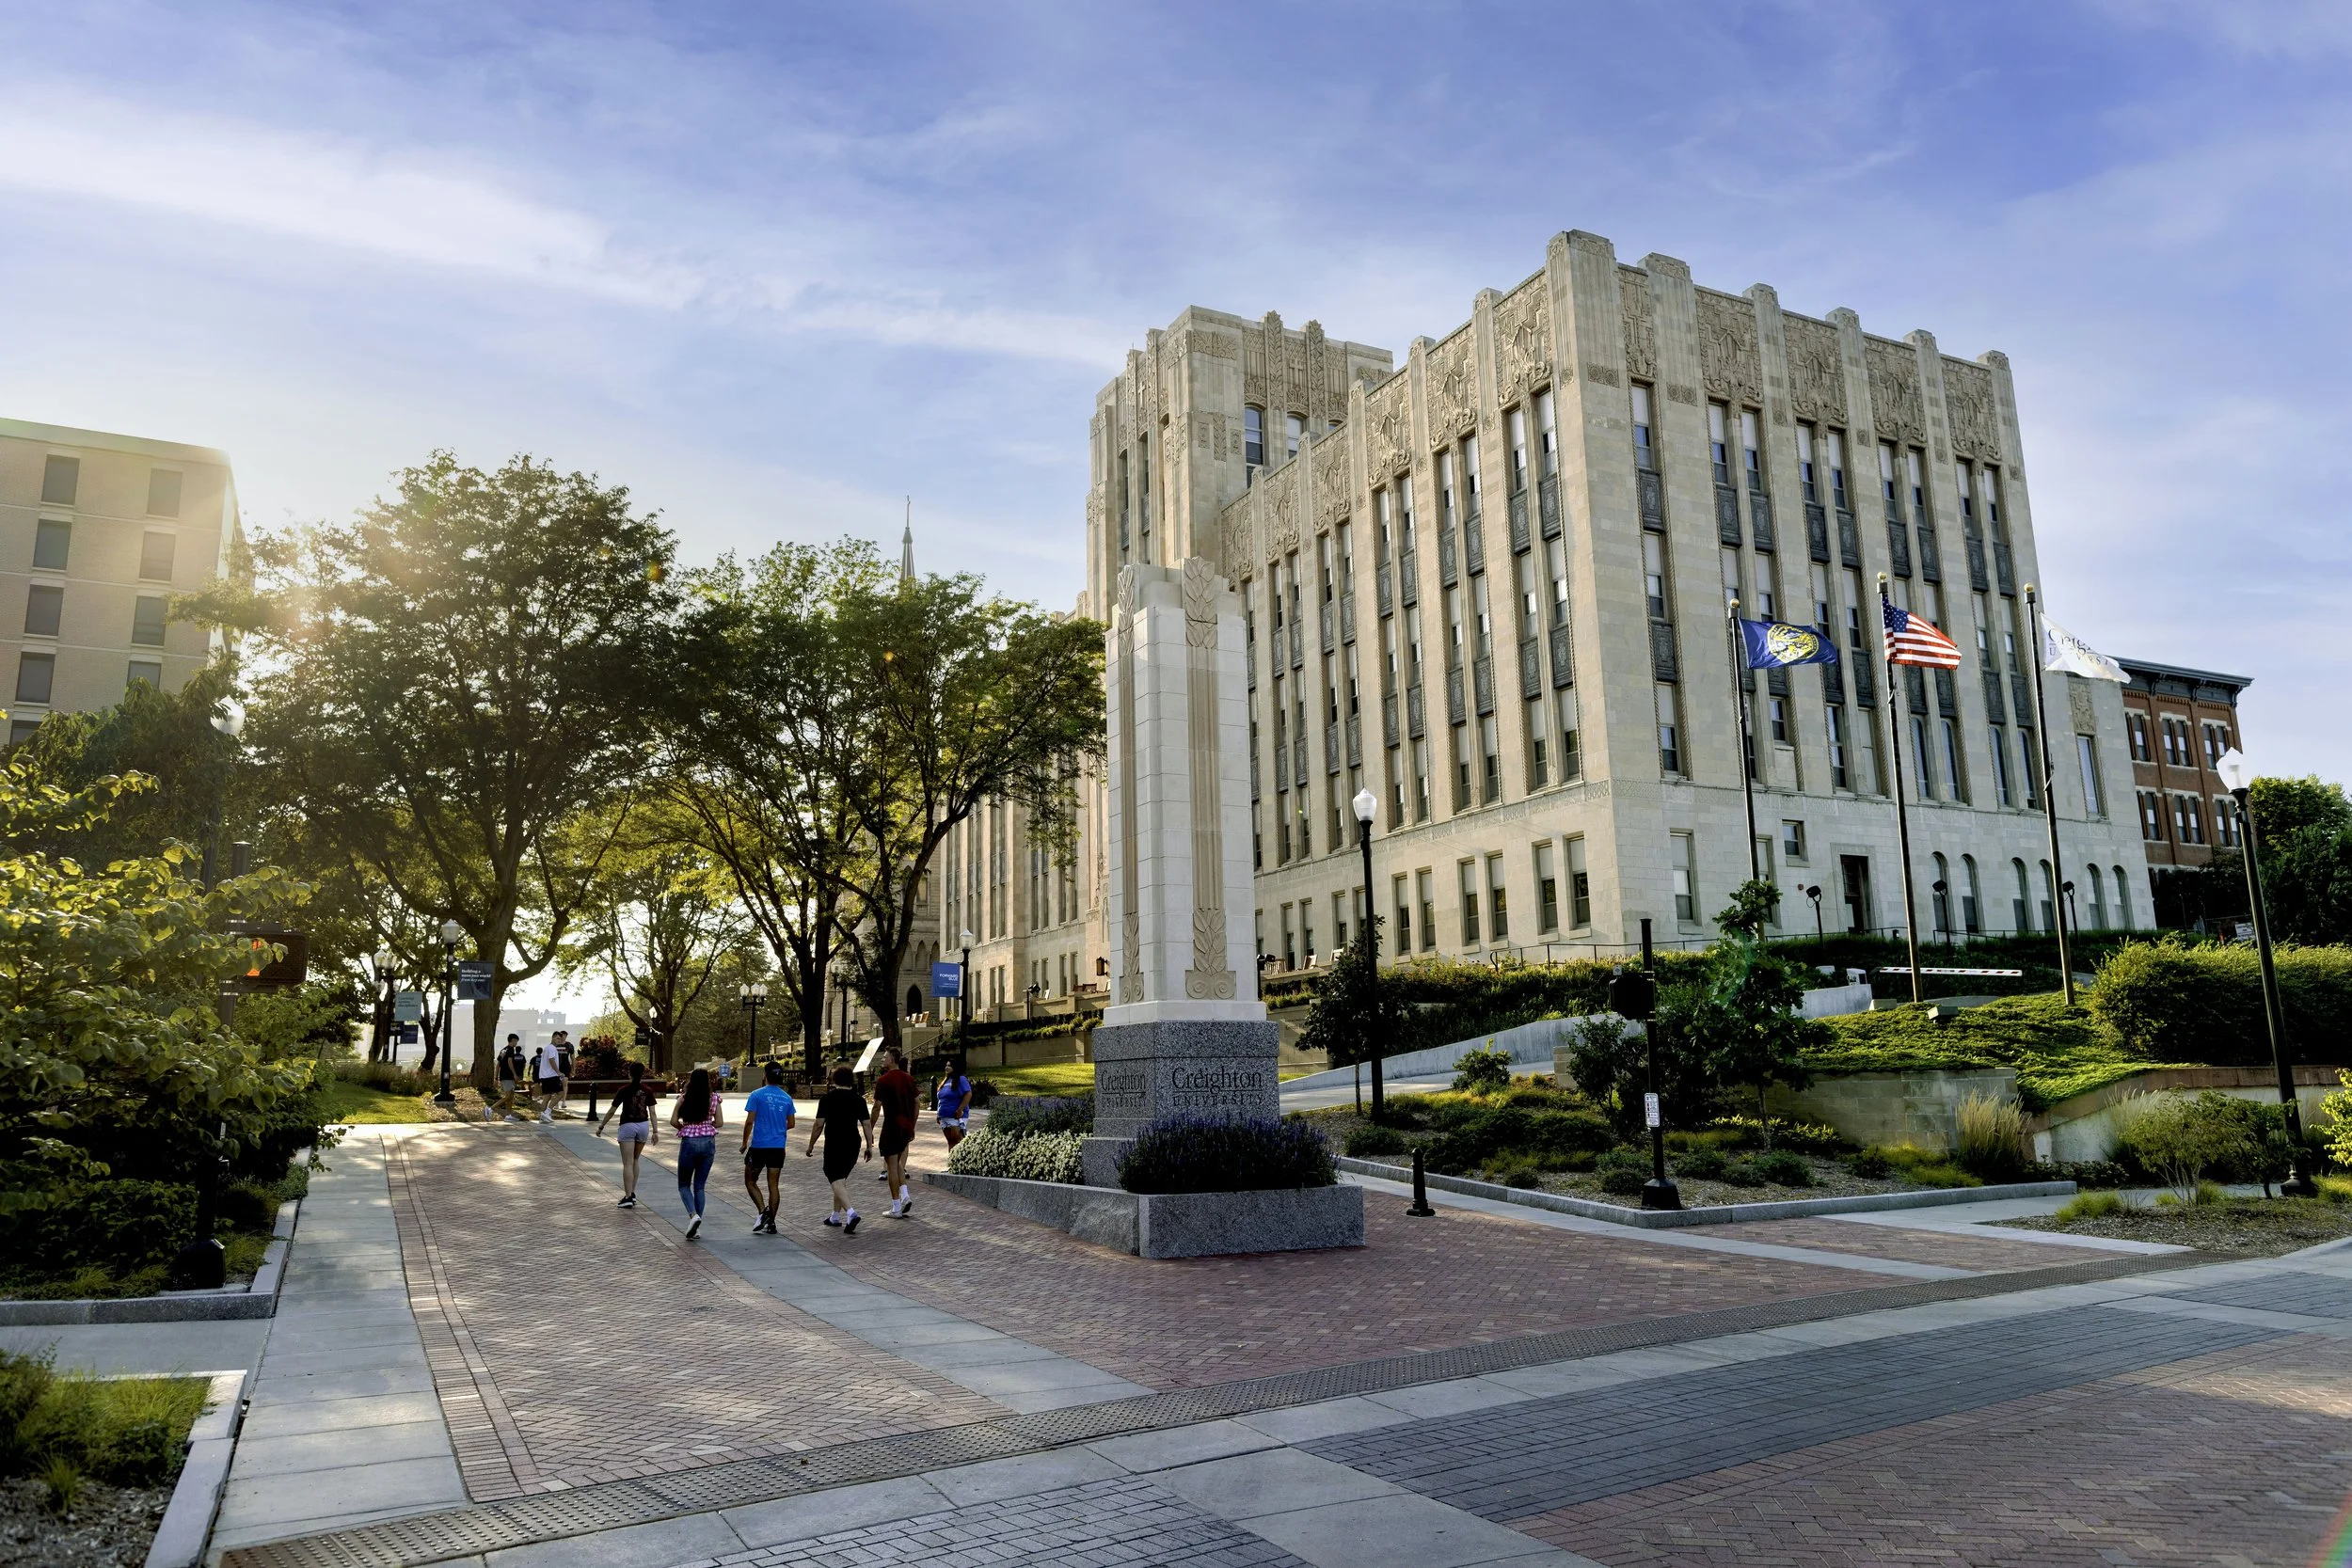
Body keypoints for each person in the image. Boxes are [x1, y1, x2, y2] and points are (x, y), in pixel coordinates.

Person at [804, 1066, 868, 1233]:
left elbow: (819, 1124)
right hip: (853, 1143)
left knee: (834, 1176)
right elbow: (866, 1124)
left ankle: (851, 1213)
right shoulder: (859, 1100)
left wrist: (811, 1144)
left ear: (834, 1080)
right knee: (840, 1180)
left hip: (834, 1143)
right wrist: (869, 1145)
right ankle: (835, 1216)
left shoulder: (827, 1099)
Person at [740, 1061, 797, 1235]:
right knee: (773, 1185)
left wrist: (744, 1143)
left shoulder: (756, 1095)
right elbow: (791, 1123)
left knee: (750, 1180)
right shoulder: (787, 1098)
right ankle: (771, 1222)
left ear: (764, 1075)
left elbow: (750, 1121)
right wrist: (777, 1128)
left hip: (759, 1146)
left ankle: (762, 1211)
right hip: (778, 1147)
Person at [667, 1066, 723, 1239]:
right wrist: (706, 1126)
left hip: (689, 1141)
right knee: (700, 1185)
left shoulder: (684, 1098)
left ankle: (693, 1216)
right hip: (708, 1142)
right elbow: (719, 1122)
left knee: (684, 1184)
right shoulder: (713, 1098)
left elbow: (673, 1121)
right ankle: (697, 1226)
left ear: (691, 1081)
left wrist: (685, 1127)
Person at [596, 1058, 659, 1208]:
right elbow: (653, 1113)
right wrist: (655, 1131)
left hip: (627, 1126)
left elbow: (612, 1110)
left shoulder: (624, 1090)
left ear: (629, 1074)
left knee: (627, 1163)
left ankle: (628, 1196)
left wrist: (601, 1126)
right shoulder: (647, 1091)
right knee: (635, 1160)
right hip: (643, 1126)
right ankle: (633, 1193)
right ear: (643, 1074)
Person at [871, 1046, 919, 1218]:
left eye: (885, 1057)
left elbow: (877, 1107)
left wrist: (870, 1127)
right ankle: (905, 1195)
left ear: (892, 1059)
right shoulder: (909, 1079)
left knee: (891, 1165)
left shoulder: (883, 1081)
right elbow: (917, 1102)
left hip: (891, 1125)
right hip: (905, 1126)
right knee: (897, 1162)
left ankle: (896, 1206)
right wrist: (912, 1124)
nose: (882, 1059)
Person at [934, 1058, 974, 1150]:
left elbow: (968, 1094)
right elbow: (941, 1098)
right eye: (946, 1065)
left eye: (949, 1065)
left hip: (955, 1117)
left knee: (958, 1141)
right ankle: (951, 1163)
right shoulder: (945, 1081)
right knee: (950, 1142)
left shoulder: (961, 1079)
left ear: (955, 1067)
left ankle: (960, 1163)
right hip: (944, 1117)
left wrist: (960, 1109)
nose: (947, 1067)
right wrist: (938, 1114)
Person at [485, 1033, 523, 1122]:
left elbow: (498, 1065)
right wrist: (514, 1074)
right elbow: (510, 1062)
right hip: (508, 1076)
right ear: (513, 1040)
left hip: (504, 1076)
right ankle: (490, 1109)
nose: (516, 1044)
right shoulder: (510, 1049)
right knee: (508, 1096)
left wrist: (496, 1078)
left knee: (511, 1096)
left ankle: (508, 1115)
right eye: (516, 1041)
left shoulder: (503, 1050)